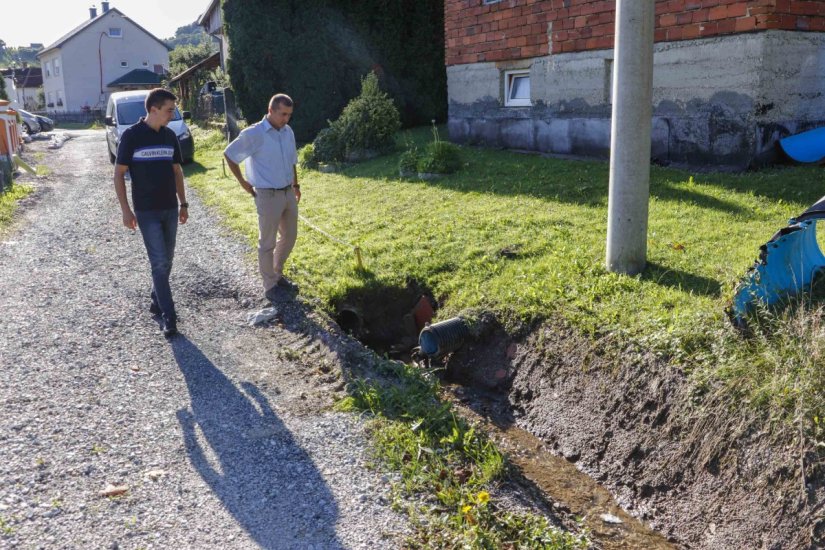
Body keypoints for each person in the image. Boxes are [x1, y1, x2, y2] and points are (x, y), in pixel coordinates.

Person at [114, 88, 188, 338]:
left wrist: (184, 203)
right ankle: (169, 316)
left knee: (167, 260)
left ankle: (157, 298)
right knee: (158, 263)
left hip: (170, 207)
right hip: (146, 211)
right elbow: (119, 173)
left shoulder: (169, 136)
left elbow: (177, 171)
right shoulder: (131, 136)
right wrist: (126, 210)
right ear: (153, 109)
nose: (172, 114)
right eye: (169, 110)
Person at [224, 93, 301, 302]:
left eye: (289, 115)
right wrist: (243, 183)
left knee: (290, 236)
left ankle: (277, 273)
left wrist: (296, 184)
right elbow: (230, 154)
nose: (286, 119)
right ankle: (270, 285)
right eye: (283, 114)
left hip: (287, 192)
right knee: (267, 243)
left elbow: (292, 160)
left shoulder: (287, 132)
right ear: (271, 110)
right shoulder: (254, 134)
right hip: (267, 195)